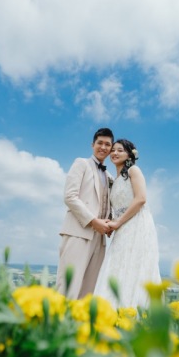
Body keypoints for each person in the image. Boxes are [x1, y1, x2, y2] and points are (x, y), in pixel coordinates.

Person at [93, 139, 161, 308]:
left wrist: (118, 223)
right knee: (119, 264)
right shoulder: (115, 180)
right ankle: (114, 308)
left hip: (137, 223)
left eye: (120, 150)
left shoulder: (133, 170)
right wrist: (112, 223)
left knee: (135, 264)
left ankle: (135, 309)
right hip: (122, 226)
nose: (115, 153)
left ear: (130, 155)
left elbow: (141, 199)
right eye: (113, 150)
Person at [56, 128, 114, 299]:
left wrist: (109, 223)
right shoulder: (81, 163)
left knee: (88, 291)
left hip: (100, 239)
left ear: (111, 148)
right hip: (78, 232)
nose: (103, 147)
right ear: (92, 145)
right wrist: (93, 221)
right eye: (100, 143)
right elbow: (70, 197)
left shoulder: (109, 176)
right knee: (68, 287)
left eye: (107, 144)